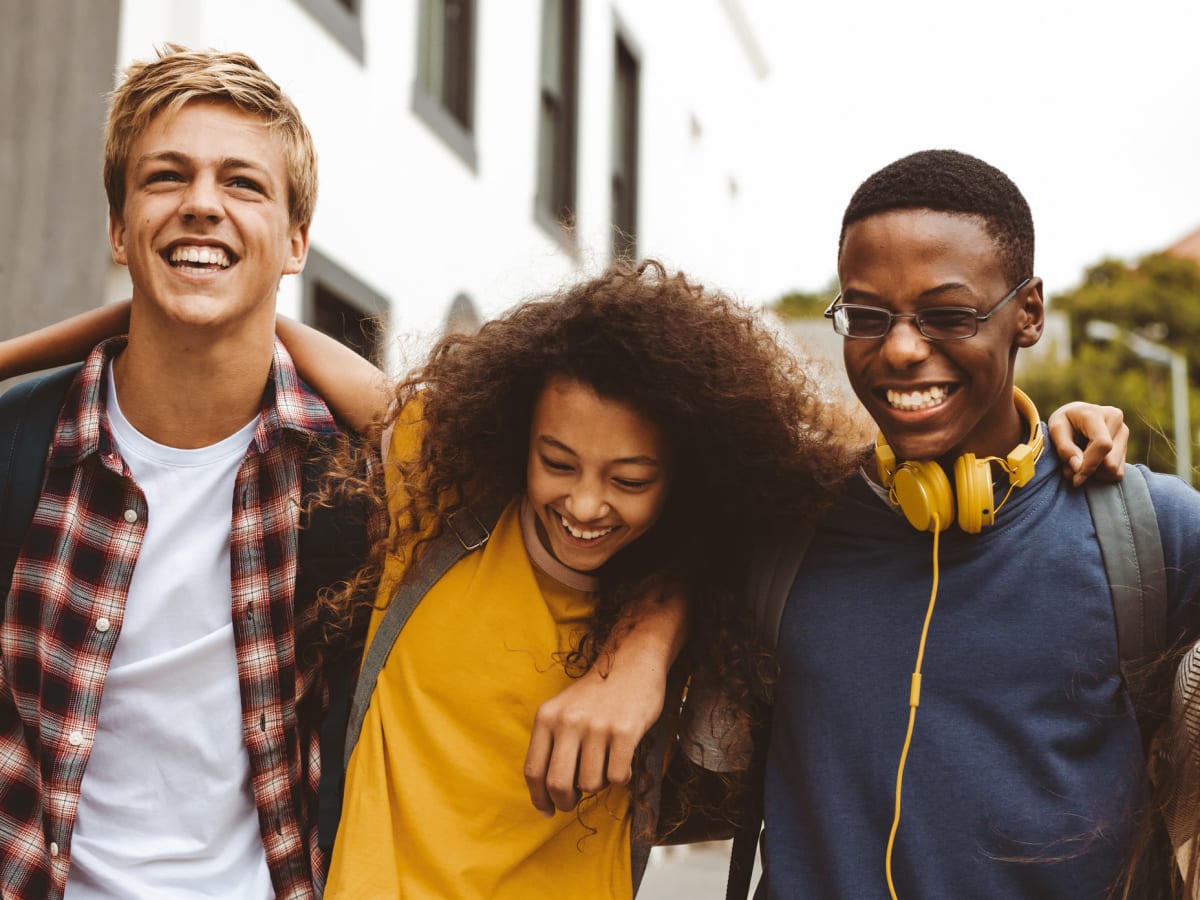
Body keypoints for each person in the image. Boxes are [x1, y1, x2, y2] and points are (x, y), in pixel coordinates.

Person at [0, 46, 675, 899]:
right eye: (166, 178)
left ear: (297, 242)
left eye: (242, 184)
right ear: (118, 224)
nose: (202, 204)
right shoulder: (23, 444)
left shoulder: (368, 472)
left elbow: (650, 516)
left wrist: (641, 652)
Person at [746, 149, 1200, 899]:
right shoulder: (784, 529)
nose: (899, 348)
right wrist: (634, 655)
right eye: (866, 315)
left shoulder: (1149, 532)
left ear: (1029, 313)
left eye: (948, 315)